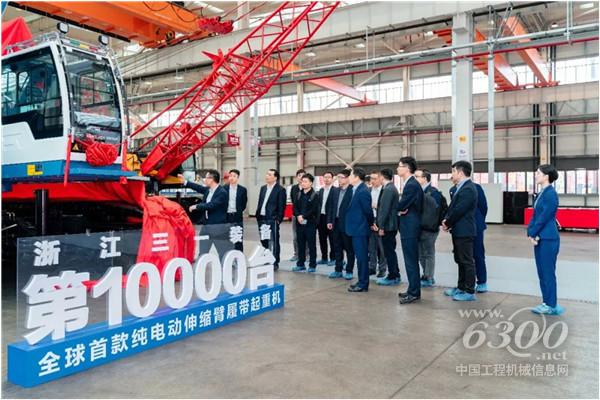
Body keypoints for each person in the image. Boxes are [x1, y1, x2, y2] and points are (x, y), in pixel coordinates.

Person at [527, 164, 564, 315]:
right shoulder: (542, 193)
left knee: (548, 273)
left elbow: (544, 217)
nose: (536, 175)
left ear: (546, 176)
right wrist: (530, 233)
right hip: (540, 237)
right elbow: (535, 215)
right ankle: (546, 302)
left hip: (548, 238)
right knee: (542, 272)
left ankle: (551, 304)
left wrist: (534, 232)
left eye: (538, 173)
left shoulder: (550, 194)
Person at [442, 161, 478, 301]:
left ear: (460, 172)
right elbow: (453, 207)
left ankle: (469, 291)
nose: (452, 174)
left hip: (464, 230)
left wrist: (448, 222)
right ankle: (461, 287)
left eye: (453, 171)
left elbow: (459, 210)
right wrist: (447, 220)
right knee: (460, 260)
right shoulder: (460, 187)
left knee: (467, 261)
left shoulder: (468, 188)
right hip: (458, 230)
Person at [181, 170, 229, 258]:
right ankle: (201, 262)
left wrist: (196, 206)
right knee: (203, 251)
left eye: (206, 178)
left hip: (217, 226)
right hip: (206, 225)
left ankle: (228, 263)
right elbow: (198, 188)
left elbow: (212, 205)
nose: (204, 180)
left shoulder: (222, 193)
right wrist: (185, 182)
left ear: (212, 179)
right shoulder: (208, 190)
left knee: (222, 252)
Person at [396, 157, 423, 304]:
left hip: (410, 227)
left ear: (407, 168)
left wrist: (398, 208)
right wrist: (401, 209)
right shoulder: (410, 183)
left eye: (399, 166)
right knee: (410, 260)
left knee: (411, 260)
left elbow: (402, 205)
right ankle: (412, 289)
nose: (397, 168)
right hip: (409, 225)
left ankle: (414, 293)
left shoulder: (411, 185)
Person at [345, 168, 375, 293]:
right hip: (355, 228)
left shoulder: (363, 191)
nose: (349, 177)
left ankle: (363, 284)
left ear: (357, 177)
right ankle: (361, 280)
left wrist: (371, 223)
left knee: (362, 258)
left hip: (360, 229)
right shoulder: (355, 189)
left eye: (351, 175)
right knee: (360, 257)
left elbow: (368, 211)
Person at [415, 168, 443, 288]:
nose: (415, 179)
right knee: (421, 254)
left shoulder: (433, 192)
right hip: (419, 228)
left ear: (425, 178)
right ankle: (426, 274)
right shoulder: (418, 192)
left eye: (417, 177)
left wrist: (433, 225)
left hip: (430, 229)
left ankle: (429, 277)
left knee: (429, 253)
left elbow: (435, 212)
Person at [256, 169, 287, 271]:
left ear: (275, 177)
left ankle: (275, 262)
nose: (267, 176)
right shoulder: (263, 188)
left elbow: (282, 206)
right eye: (267, 174)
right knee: (264, 240)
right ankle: (266, 259)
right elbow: (260, 202)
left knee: (274, 241)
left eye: (269, 175)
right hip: (262, 218)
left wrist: (278, 219)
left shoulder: (280, 190)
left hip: (272, 219)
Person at [328, 169, 355, 280]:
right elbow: (330, 207)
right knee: (337, 247)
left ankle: (349, 270)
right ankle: (338, 269)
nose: (339, 179)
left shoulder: (353, 190)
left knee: (349, 248)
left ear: (348, 178)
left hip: (347, 224)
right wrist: (330, 221)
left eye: (341, 177)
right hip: (336, 222)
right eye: (338, 177)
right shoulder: (335, 191)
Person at [375, 168, 400, 285]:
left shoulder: (388, 189)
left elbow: (384, 210)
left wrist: (381, 227)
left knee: (389, 252)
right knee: (390, 251)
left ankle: (393, 276)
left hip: (388, 225)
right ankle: (395, 274)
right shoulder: (389, 188)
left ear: (382, 176)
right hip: (390, 225)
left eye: (378, 177)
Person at [292, 173, 320, 273]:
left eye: (305, 181)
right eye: (302, 181)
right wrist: (298, 215)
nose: (303, 183)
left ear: (311, 183)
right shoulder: (298, 194)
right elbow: (295, 207)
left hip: (310, 223)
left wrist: (303, 216)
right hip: (299, 223)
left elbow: (314, 209)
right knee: (300, 244)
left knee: (311, 245)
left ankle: (312, 265)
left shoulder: (315, 195)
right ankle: (300, 264)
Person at [368, 171, 387, 277]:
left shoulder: (385, 191)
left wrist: (377, 206)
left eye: (375, 178)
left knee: (382, 247)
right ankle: (372, 267)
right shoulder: (368, 190)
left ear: (380, 179)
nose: (372, 181)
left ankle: (382, 269)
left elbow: (387, 208)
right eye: (371, 178)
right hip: (370, 220)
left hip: (380, 220)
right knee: (371, 246)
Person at [223, 169, 248, 252]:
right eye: (230, 176)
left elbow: (244, 204)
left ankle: (239, 257)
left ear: (238, 178)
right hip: (226, 217)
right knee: (227, 239)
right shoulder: (224, 189)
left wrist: (238, 211)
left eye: (234, 176)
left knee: (238, 239)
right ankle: (227, 257)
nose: (232, 178)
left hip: (237, 217)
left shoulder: (242, 190)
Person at [317, 172, 336, 266]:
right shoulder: (321, 190)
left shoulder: (335, 191)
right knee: (322, 239)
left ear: (332, 179)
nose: (327, 179)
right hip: (321, 218)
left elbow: (334, 207)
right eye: (325, 177)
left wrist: (331, 220)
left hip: (331, 218)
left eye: (329, 177)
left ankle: (333, 258)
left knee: (332, 239)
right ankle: (324, 258)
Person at [473, 182, 488, 293]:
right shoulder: (454, 189)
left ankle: (482, 281)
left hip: (476, 226)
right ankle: (466, 283)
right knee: (464, 256)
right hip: (462, 227)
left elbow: (483, 207)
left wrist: (479, 219)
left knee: (478, 254)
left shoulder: (476, 187)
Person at [289, 169, 306, 262]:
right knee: (295, 236)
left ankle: (307, 254)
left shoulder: (307, 187)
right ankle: (296, 254)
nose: (301, 177)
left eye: (303, 175)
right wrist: (297, 214)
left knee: (305, 235)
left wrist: (303, 215)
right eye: (299, 175)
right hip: (295, 216)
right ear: (297, 177)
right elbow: (294, 202)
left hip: (305, 216)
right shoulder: (294, 188)